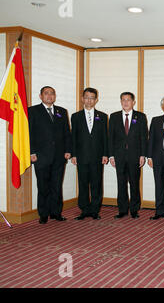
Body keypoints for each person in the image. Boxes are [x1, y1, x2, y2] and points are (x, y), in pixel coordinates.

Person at [28, 86, 72, 224]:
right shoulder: (33, 111)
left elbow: (67, 133)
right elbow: (29, 133)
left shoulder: (62, 111)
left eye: (52, 93)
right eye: (46, 93)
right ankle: (43, 214)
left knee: (56, 185)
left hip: (59, 156)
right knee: (43, 186)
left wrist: (68, 150)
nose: (49, 96)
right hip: (41, 156)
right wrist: (31, 152)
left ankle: (56, 212)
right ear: (40, 96)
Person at [109, 92, 148, 219]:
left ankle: (134, 209)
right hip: (119, 156)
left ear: (133, 102)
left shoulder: (140, 116)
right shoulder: (114, 117)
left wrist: (143, 155)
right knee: (121, 183)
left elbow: (144, 137)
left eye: (128, 100)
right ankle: (122, 210)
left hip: (135, 156)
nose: (126, 102)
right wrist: (111, 156)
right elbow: (111, 138)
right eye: (123, 100)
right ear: (121, 102)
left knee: (134, 183)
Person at [71, 87, 108, 220]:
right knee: (82, 183)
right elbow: (73, 137)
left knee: (96, 183)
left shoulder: (103, 116)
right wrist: (74, 155)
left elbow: (105, 137)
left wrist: (105, 154)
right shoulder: (75, 116)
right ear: (82, 99)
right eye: (86, 97)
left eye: (92, 98)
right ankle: (84, 209)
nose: (89, 100)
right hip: (81, 156)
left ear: (96, 100)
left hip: (98, 156)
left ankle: (94, 210)